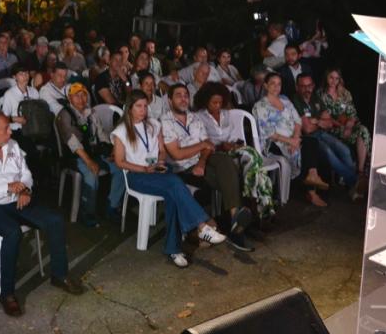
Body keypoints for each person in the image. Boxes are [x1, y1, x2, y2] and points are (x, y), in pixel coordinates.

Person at [0, 112, 85, 316]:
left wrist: (25, 189)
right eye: (6, 129)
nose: (10, 131)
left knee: (54, 220)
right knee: (12, 233)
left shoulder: (13, 146)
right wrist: (8, 187)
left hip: (18, 200)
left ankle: (59, 275)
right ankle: (7, 294)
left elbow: (26, 174)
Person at [110, 94, 226, 268]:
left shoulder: (153, 125)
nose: (143, 110)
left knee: (173, 194)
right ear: (129, 108)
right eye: (138, 106)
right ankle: (201, 226)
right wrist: (144, 169)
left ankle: (174, 249)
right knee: (175, 183)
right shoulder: (122, 131)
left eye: (145, 106)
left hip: (158, 170)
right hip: (137, 176)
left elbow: (162, 151)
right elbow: (119, 162)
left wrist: (161, 161)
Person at [162, 85, 252, 251]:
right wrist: (202, 146)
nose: (183, 99)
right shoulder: (165, 122)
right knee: (227, 176)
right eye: (178, 95)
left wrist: (202, 162)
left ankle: (234, 218)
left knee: (224, 160)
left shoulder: (194, 118)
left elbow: (208, 146)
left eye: (185, 95)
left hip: (200, 163)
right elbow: (177, 154)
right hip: (182, 168)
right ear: (169, 100)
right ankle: (224, 228)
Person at [193, 83, 276, 219]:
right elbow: (203, 142)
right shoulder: (198, 117)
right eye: (214, 102)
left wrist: (234, 145)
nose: (218, 106)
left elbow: (234, 136)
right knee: (252, 159)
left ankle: (254, 204)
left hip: (230, 150)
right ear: (205, 101)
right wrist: (221, 146)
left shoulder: (226, 115)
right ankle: (258, 205)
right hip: (214, 155)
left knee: (252, 158)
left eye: (220, 102)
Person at [255, 74, 324, 206]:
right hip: (274, 142)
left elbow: (298, 120)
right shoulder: (261, 106)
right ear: (265, 85)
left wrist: (296, 137)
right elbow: (267, 132)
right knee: (299, 152)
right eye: (272, 83)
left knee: (311, 142)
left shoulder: (285, 101)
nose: (276, 87)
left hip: (292, 138)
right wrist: (289, 141)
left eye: (279, 84)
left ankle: (312, 176)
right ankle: (311, 192)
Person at [54, 82, 108, 227]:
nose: (81, 99)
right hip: (75, 156)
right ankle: (87, 213)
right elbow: (74, 144)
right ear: (70, 98)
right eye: (76, 96)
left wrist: (110, 151)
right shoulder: (65, 115)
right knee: (91, 175)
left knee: (119, 168)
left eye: (83, 95)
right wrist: (90, 162)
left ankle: (112, 206)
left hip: (93, 152)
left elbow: (101, 135)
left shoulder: (91, 112)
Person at [313, 68, 371, 193]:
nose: (333, 81)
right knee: (339, 138)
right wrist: (339, 124)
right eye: (331, 78)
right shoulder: (320, 94)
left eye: (336, 78)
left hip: (346, 126)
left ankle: (360, 171)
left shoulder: (345, 93)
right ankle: (353, 180)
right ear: (326, 78)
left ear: (340, 79)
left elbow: (352, 114)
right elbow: (323, 116)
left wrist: (349, 126)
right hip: (332, 128)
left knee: (363, 131)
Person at [0, 65, 39, 132]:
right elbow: (4, 118)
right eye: (21, 74)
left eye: (26, 73)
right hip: (17, 129)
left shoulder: (34, 91)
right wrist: (16, 119)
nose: (25, 76)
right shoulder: (9, 94)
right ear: (14, 77)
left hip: (34, 128)